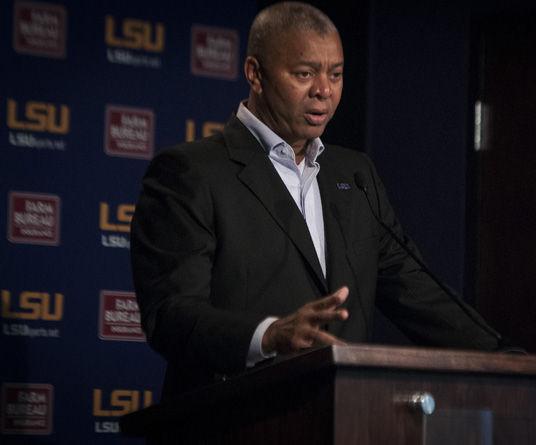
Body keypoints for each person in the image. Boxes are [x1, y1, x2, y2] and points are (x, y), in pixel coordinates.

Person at [131, 1, 504, 400]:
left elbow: (417, 293)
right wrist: (270, 336)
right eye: (305, 73)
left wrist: (507, 361)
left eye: (336, 74)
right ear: (255, 74)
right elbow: (170, 316)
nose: (324, 90)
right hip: (234, 419)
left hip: (342, 420)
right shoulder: (191, 173)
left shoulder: (354, 175)